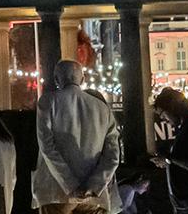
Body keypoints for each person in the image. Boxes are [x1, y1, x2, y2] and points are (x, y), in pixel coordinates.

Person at [31, 60, 121, 214]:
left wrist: (71, 185)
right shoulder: (102, 108)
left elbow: (47, 147)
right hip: (94, 197)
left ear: (56, 80)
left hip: (56, 193)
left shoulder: (48, 102)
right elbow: (112, 155)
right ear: (83, 79)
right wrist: (93, 186)